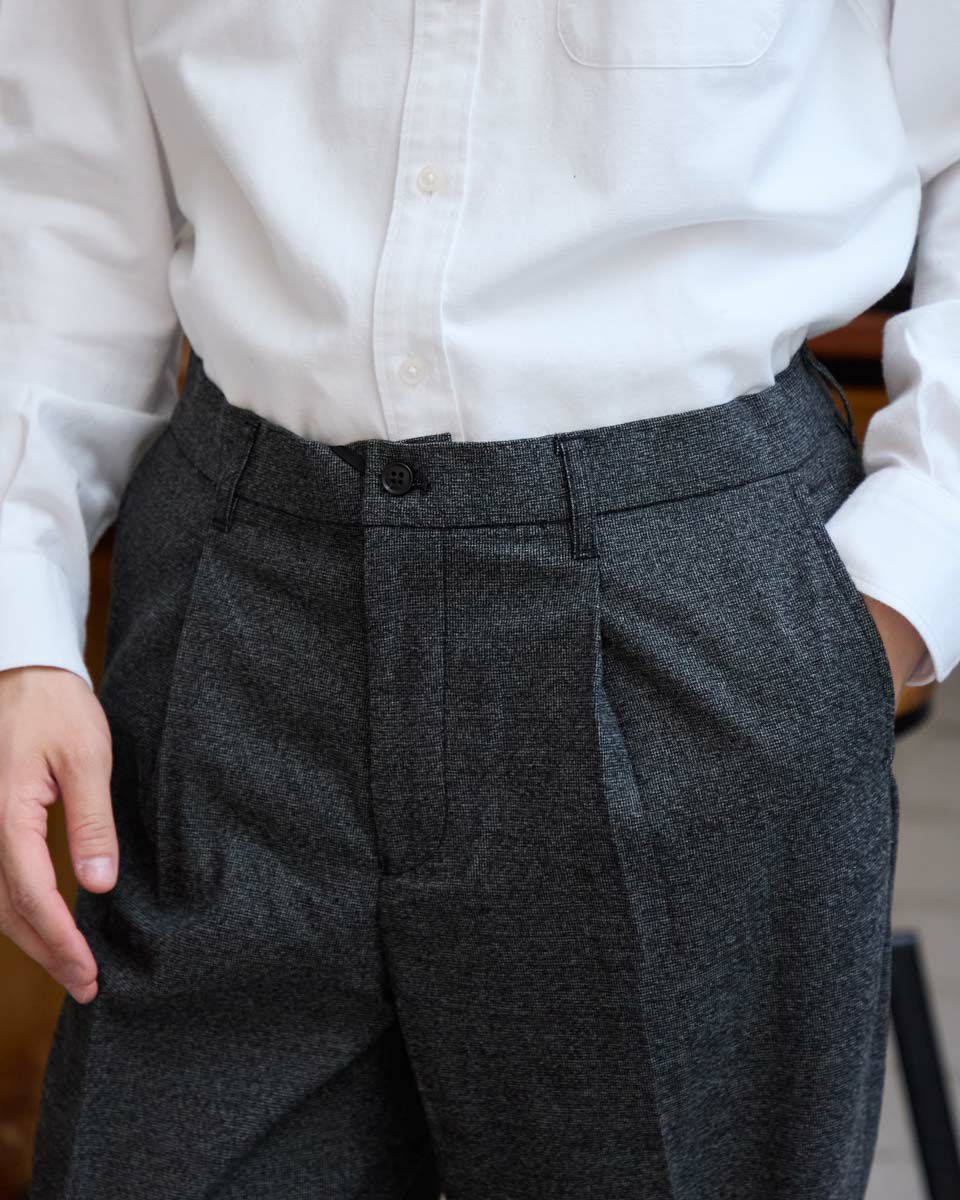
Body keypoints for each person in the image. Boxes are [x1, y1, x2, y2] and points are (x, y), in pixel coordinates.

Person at [0, 2, 956, 1197]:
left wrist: (892, 591)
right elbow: (60, 199)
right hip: (237, 609)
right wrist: (18, 622)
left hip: (690, 611)